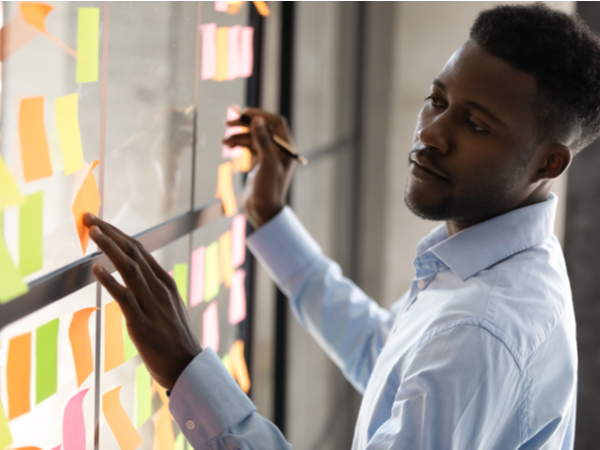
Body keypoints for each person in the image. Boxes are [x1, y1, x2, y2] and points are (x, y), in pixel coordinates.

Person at [84, 4, 600, 448]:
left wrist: (184, 368)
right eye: (437, 100)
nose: (432, 133)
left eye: (475, 124)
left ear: (548, 164)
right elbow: (385, 357)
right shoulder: (489, 264)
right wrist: (270, 217)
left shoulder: (479, 328)